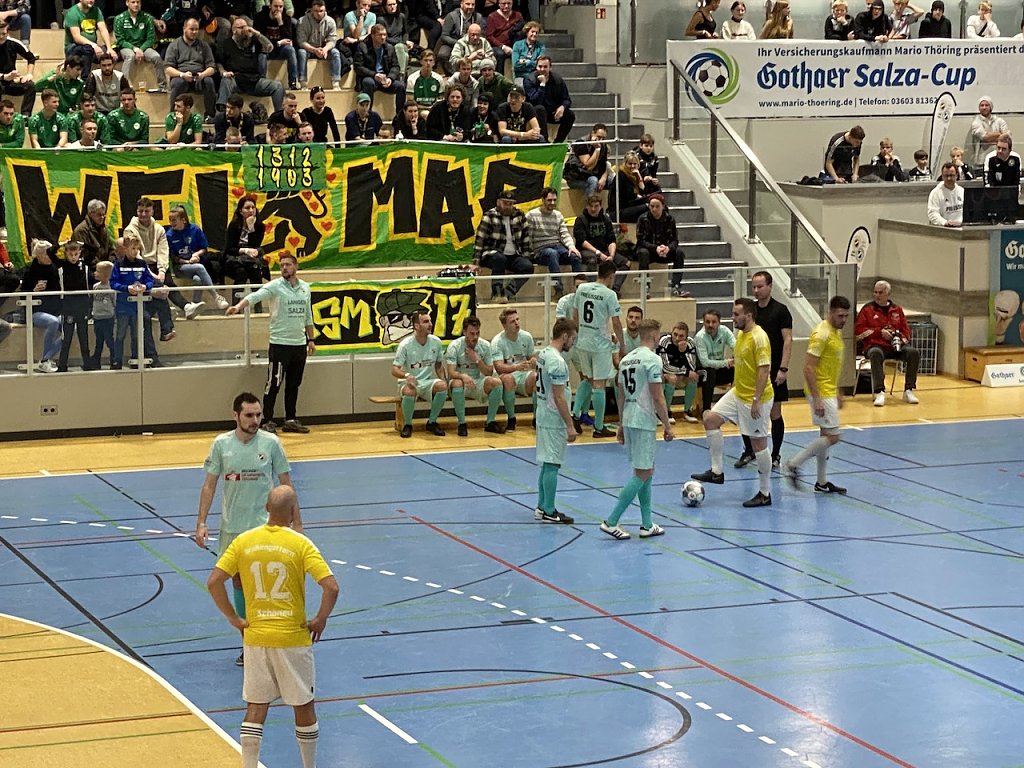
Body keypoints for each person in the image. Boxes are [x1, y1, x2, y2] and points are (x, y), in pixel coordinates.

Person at [207, 484, 338, 768]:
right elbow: (331, 587)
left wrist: (234, 618)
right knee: (303, 705)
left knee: (256, 707)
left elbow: (214, 582)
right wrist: (320, 618)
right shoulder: (300, 544)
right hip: (292, 638)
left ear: (266, 508)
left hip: (255, 637)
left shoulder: (244, 541)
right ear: (293, 512)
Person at [196, 391, 300, 666]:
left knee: (266, 583)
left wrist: (297, 523)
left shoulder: (271, 443)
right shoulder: (221, 445)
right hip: (233, 529)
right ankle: (249, 641)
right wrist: (201, 522)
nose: (255, 420)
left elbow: (287, 485)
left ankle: (277, 637)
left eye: (258, 415)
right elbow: (209, 485)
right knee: (238, 582)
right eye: (249, 415)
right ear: (236, 416)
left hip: (265, 527)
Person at [691, 298, 774, 508]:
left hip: (756, 397)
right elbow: (741, 364)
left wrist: (756, 400)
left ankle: (765, 492)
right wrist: (735, 387)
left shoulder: (759, 338)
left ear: (749, 315)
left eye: (736, 314)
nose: (733, 318)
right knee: (710, 419)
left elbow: (764, 370)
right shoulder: (742, 335)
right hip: (739, 393)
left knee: (758, 444)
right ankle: (717, 472)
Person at [600, 318, 673, 540]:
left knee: (645, 470)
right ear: (654, 335)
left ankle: (647, 524)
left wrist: (621, 425)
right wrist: (667, 425)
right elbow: (658, 396)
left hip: (630, 418)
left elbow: (621, 396)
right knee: (643, 472)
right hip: (643, 419)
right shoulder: (652, 360)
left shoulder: (626, 360)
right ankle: (611, 521)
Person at [227, 252, 315, 434]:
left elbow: (308, 315)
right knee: (273, 383)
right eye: (281, 265)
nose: (284, 268)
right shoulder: (275, 286)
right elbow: (255, 296)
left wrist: (311, 339)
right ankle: (267, 420)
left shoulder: (305, 288)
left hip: (299, 344)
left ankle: (291, 419)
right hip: (280, 344)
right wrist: (238, 306)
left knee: (294, 384)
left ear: (296, 266)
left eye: (288, 265)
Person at [780, 295, 852, 495]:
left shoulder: (835, 332)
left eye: (846, 316)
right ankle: (794, 464)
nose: (844, 320)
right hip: (820, 391)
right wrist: (818, 398)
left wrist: (837, 390)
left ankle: (821, 482)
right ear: (831, 313)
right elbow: (808, 368)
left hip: (828, 390)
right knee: (834, 437)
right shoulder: (821, 334)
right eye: (840, 316)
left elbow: (830, 366)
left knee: (825, 436)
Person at [736, 270, 792, 470]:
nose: (756, 290)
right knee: (746, 412)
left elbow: (788, 340)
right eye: (754, 287)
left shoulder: (781, 310)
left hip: (773, 368)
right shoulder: (751, 312)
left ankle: (775, 454)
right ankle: (749, 450)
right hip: (752, 371)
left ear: (770, 286)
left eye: (760, 286)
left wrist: (783, 368)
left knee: (775, 413)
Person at [533, 316, 578, 524]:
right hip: (553, 417)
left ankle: (542, 506)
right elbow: (559, 397)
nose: (573, 343)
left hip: (543, 413)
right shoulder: (558, 362)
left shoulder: (543, 353)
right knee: (552, 464)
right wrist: (570, 424)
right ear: (565, 336)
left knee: (547, 463)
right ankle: (549, 511)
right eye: (573, 339)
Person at [571, 260, 624, 438]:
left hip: (583, 341)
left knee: (587, 379)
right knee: (599, 385)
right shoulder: (609, 294)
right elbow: (616, 323)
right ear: (611, 276)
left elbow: (575, 315)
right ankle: (599, 427)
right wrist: (622, 344)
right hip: (600, 344)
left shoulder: (582, 289)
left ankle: (575, 414)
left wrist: (579, 335)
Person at [854, 279, 921, 406]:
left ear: (888, 294)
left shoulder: (897, 310)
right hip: (874, 345)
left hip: (894, 346)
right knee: (875, 353)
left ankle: (909, 389)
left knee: (913, 353)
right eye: (875, 292)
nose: (877, 295)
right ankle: (879, 391)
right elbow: (859, 331)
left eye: (880, 292)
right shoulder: (867, 309)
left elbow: (906, 331)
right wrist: (879, 332)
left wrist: (898, 339)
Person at [445, 314, 506, 435]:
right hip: (461, 381)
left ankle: (490, 422)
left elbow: (489, 372)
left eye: (477, 333)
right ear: (464, 332)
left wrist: (477, 360)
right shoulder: (454, 346)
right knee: (456, 383)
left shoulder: (485, 346)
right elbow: (451, 372)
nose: (475, 337)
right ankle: (462, 423)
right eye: (472, 334)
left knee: (497, 382)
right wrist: (463, 376)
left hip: (477, 381)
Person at [392, 309, 448, 438]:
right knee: (409, 391)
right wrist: (407, 375)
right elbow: (394, 369)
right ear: (417, 326)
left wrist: (444, 379)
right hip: (408, 382)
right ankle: (408, 425)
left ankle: (432, 422)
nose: (430, 324)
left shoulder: (436, 342)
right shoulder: (405, 345)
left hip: (427, 382)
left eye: (430, 321)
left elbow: (438, 365)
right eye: (426, 322)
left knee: (442, 386)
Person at [110, 234, 162, 369]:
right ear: (125, 248)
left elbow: (149, 280)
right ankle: (117, 360)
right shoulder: (118, 264)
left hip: (138, 307)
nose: (135, 251)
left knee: (137, 335)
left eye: (137, 249)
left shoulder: (142, 264)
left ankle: (136, 359)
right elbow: (113, 283)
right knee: (120, 335)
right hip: (123, 306)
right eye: (133, 248)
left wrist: (145, 287)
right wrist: (127, 288)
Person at [472, 188, 533, 302]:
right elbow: (480, 239)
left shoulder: (520, 215)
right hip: (492, 254)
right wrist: (476, 262)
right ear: (498, 202)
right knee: (500, 259)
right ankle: (497, 293)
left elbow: (525, 238)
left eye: (510, 204)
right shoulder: (489, 216)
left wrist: (527, 257)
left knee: (528, 267)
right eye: (505, 203)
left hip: (514, 255)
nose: (508, 206)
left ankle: (507, 293)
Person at [218, 16, 284, 113]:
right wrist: (223, 72)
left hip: (254, 81)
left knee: (278, 86)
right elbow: (219, 62)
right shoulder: (226, 44)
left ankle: (279, 115)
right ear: (234, 30)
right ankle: (221, 114)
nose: (244, 30)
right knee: (225, 81)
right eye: (241, 27)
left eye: (245, 26)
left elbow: (269, 47)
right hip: (236, 80)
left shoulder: (253, 41)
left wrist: (257, 34)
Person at [526, 186, 582, 298]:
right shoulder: (531, 215)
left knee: (575, 256)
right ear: (543, 200)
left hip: (557, 247)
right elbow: (528, 237)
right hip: (540, 250)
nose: (552, 203)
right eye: (549, 200)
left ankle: (580, 289)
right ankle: (558, 290)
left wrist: (572, 247)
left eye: (554, 200)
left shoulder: (558, 215)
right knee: (552, 253)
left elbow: (565, 234)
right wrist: (531, 254)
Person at [166, 204, 223, 307]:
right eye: (170, 220)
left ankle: (195, 305)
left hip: (195, 264)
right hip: (180, 267)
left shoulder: (195, 229)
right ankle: (216, 296)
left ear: (183, 219)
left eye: (174, 220)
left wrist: (196, 254)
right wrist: (188, 262)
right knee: (199, 267)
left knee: (198, 279)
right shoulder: (169, 235)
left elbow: (204, 249)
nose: (171, 223)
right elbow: (173, 258)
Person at [20, 238, 63, 373]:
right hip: (35, 310)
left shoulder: (54, 268)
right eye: (46, 254)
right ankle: (45, 361)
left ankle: (46, 358)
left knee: (71, 326)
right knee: (53, 322)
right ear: (39, 256)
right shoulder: (29, 270)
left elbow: (58, 291)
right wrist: (33, 291)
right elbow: (22, 295)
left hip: (54, 308)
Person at [573, 193, 630, 294]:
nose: (593, 209)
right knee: (592, 260)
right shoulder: (580, 220)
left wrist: (611, 255)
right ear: (586, 206)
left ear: (600, 206)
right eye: (591, 206)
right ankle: (593, 290)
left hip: (604, 251)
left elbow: (611, 240)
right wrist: (598, 253)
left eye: (596, 206)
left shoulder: (606, 219)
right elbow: (582, 241)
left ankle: (614, 290)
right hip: (587, 251)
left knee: (626, 263)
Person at [491, 306, 537, 430]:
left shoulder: (526, 337)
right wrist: (516, 367)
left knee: (536, 377)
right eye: (512, 321)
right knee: (508, 379)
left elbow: (532, 357)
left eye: (517, 319)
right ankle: (511, 419)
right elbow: (499, 367)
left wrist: (533, 361)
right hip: (506, 377)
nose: (517, 323)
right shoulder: (498, 342)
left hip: (523, 376)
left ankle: (536, 418)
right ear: (504, 325)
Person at [635, 194, 689, 297]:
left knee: (679, 253)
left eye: (657, 206)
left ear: (663, 206)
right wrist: (655, 248)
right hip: (649, 250)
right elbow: (641, 240)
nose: (654, 209)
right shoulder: (642, 219)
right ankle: (645, 287)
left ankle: (676, 286)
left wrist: (668, 248)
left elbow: (674, 240)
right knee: (643, 253)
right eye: (652, 206)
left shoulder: (670, 219)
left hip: (664, 250)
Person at [164, 17, 217, 120]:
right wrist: (182, 74)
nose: (194, 32)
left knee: (209, 81)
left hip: (199, 77)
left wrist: (203, 74)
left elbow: (212, 67)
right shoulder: (174, 45)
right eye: (192, 29)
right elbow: (168, 68)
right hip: (182, 76)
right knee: (177, 83)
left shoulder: (204, 45)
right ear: (184, 29)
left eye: (196, 29)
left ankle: (210, 115)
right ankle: (173, 115)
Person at [52, 240, 92, 372]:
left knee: (84, 337)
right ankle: (62, 365)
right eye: (70, 254)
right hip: (68, 305)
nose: (73, 257)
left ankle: (87, 364)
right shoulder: (62, 265)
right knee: (67, 338)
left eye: (76, 254)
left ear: (80, 253)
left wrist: (82, 243)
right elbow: (50, 252)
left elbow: (95, 250)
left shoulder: (84, 265)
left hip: (82, 305)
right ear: (66, 254)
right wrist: (62, 243)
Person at [115, 0, 168, 92]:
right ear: (127, 3)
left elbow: (150, 38)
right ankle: (123, 86)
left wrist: (141, 49)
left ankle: (162, 87)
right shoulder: (119, 18)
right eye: (133, 2)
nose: (136, 4)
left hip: (144, 47)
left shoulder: (147, 18)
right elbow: (120, 40)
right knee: (130, 56)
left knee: (157, 57)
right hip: (127, 47)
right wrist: (135, 49)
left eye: (138, 2)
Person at [224, 195, 271, 300]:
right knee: (241, 272)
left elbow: (255, 246)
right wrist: (245, 250)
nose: (251, 210)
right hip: (235, 259)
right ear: (241, 211)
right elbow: (229, 249)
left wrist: (251, 228)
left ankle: (257, 305)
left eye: (253, 207)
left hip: (251, 259)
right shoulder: (234, 225)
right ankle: (236, 305)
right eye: (247, 208)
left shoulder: (260, 226)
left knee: (255, 271)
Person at [355, 24, 406, 113]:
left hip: (385, 79)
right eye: (380, 35)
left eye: (384, 35)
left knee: (401, 86)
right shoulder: (362, 46)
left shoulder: (390, 48)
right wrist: (374, 74)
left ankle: (400, 116)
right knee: (368, 82)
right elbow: (358, 67)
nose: (383, 37)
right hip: (371, 77)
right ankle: (368, 113)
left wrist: (390, 78)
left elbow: (396, 66)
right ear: (372, 35)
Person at [658, 320, 700, 424]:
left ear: (686, 338)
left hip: (681, 375)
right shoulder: (664, 341)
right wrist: (685, 372)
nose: (677, 338)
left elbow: (692, 367)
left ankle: (687, 411)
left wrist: (683, 352)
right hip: (666, 375)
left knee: (693, 378)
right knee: (672, 378)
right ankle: (667, 411)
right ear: (671, 333)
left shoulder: (690, 343)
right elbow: (665, 366)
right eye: (675, 334)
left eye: (681, 336)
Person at [296, 0, 344, 91]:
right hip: (309, 49)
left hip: (323, 49)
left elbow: (332, 40)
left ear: (325, 10)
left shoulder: (330, 21)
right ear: (311, 10)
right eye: (316, 11)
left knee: (335, 52)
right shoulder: (302, 21)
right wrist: (314, 50)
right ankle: (303, 83)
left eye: (321, 11)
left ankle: (336, 82)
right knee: (301, 52)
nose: (318, 13)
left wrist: (325, 49)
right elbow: (301, 42)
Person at [694, 308, 735, 412]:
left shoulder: (724, 331)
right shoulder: (700, 337)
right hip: (701, 372)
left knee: (737, 371)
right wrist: (726, 362)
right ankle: (706, 410)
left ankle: (735, 405)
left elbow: (736, 345)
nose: (710, 325)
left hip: (718, 370)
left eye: (714, 322)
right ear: (703, 322)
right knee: (709, 372)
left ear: (719, 323)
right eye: (707, 322)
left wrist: (737, 355)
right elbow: (705, 362)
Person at [254, 0, 299, 90]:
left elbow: (288, 39)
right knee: (262, 55)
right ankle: (261, 82)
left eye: (280, 6)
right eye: (275, 6)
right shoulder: (260, 17)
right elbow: (259, 39)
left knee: (291, 50)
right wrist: (278, 43)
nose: (278, 9)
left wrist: (280, 22)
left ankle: (293, 82)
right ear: (270, 6)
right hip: (265, 49)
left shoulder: (286, 18)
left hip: (280, 50)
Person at [64, 0, 116, 74]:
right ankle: (84, 79)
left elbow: (103, 30)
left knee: (111, 54)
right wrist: (94, 45)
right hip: (73, 47)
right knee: (87, 49)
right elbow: (77, 37)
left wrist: (109, 48)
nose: (91, 0)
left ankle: (105, 79)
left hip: (91, 47)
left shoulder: (96, 11)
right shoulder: (72, 13)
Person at [0, 20, 36, 117]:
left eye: (3, 34)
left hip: (11, 82)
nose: (1, 37)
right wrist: (3, 77)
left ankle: (25, 116)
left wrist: (29, 74)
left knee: (30, 86)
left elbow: (31, 58)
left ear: (8, 33)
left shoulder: (13, 43)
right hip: (1, 80)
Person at [438, 0, 483, 75]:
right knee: (442, 54)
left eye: (473, 4)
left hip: (472, 43)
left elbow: (482, 35)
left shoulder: (478, 17)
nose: (470, 7)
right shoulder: (451, 16)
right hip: (453, 42)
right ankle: (452, 75)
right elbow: (444, 36)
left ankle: (473, 74)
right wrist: (459, 43)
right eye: (467, 4)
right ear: (461, 4)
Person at [564, 123, 609, 196]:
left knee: (613, 180)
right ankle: (591, 202)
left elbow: (604, 164)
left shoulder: (603, 145)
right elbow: (588, 166)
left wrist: (604, 178)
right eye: (599, 137)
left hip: (593, 174)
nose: (601, 140)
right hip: (576, 176)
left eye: (603, 138)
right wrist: (597, 149)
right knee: (593, 181)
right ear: (593, 133)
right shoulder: (581, 143)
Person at [608, 150, 651, 224]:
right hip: (618, 211)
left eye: (635, 164)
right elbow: (628, 197)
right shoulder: (621, 176)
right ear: (625, 163)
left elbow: (644, 190)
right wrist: (637, 196)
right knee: (649, 206)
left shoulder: (635, 175)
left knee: (655, 201)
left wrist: (639, 176)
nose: (633, 166)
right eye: (630, 164)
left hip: (629, 207)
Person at [968, 96, 1009, 171]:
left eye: (986, 105)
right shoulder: (975, 123)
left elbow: (1006, 137)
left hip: (1000, 158)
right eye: (982, 105)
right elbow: (985, 137)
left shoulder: (1000, 121)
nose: (984, 107)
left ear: (991, 107)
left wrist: (991, 137)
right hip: (981, 162)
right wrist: (999, 134)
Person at [71, 198, 114, 267]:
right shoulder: (81, 231)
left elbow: (111, 249)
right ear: (90, 214)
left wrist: (111, 262)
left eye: (103, 215)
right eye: (99, 215)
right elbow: (84, 255)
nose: (102, 217)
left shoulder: (103, 229)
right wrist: (101, 266)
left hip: (106, 267)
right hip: (90, 268)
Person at [89, 259, 115, 369]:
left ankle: (114, 359)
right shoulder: (95, 286)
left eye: (98, 271)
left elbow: (114, 301)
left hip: (108, 318)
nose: (95, 273)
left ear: (106, 275)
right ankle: (96, 360)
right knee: (98, 340)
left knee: (109, 340)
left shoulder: (111, 287)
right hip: (97, 318)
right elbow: (93, 300)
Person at [484, 0, 522, 74]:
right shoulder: (492, 16)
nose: (506, 6)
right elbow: (489, 36)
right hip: (498, 46)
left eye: (509, 3)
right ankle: (499, 77)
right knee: (500, 54)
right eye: (504, 3)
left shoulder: (517, 15)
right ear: (499, 4)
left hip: (514, 44)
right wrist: (503, 47)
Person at [378, 0, 416, 74]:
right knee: (404, 55)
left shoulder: (401, 16)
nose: (392, 7)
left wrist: (406, 41)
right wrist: (401, 42)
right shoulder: (381, 20)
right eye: (389, 5)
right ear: (385, 6)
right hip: (388, 45)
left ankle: (400, 74)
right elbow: (384, 38)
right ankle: (401, 74)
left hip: (401, 44)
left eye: (394, 4)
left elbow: (405, 32)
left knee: (400, 47)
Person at [407, 49, 444, 119]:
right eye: (426, 60)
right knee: (426, 114)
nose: (428, 63)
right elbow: (410, 102)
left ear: (434, 63)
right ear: (421, 62)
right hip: (418, 110)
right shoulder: (412, 78)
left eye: (430, 60)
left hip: (434, 109)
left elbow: (440, 100)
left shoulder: (439, 79)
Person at [927, 162, 963, 227]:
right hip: (944, 228)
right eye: (946, 176)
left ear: (957, 175)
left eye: (951, 175)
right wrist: (945, 222)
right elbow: (933, 214)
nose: (949, 178)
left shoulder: (962, 191)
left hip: (961, 227)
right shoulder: (935, 193)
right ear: (942, 176)